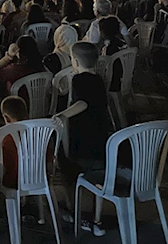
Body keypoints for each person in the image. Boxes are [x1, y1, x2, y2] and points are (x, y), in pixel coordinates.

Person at [53, 42, 109, 236]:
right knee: (98, 178)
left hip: (82, 139)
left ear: (74, 61)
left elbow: (82, 102)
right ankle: (97, 219)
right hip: (100, 136)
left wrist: (62, 115)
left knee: (69, 172)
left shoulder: (78, 80)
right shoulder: (100, 79)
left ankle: (74, 210)